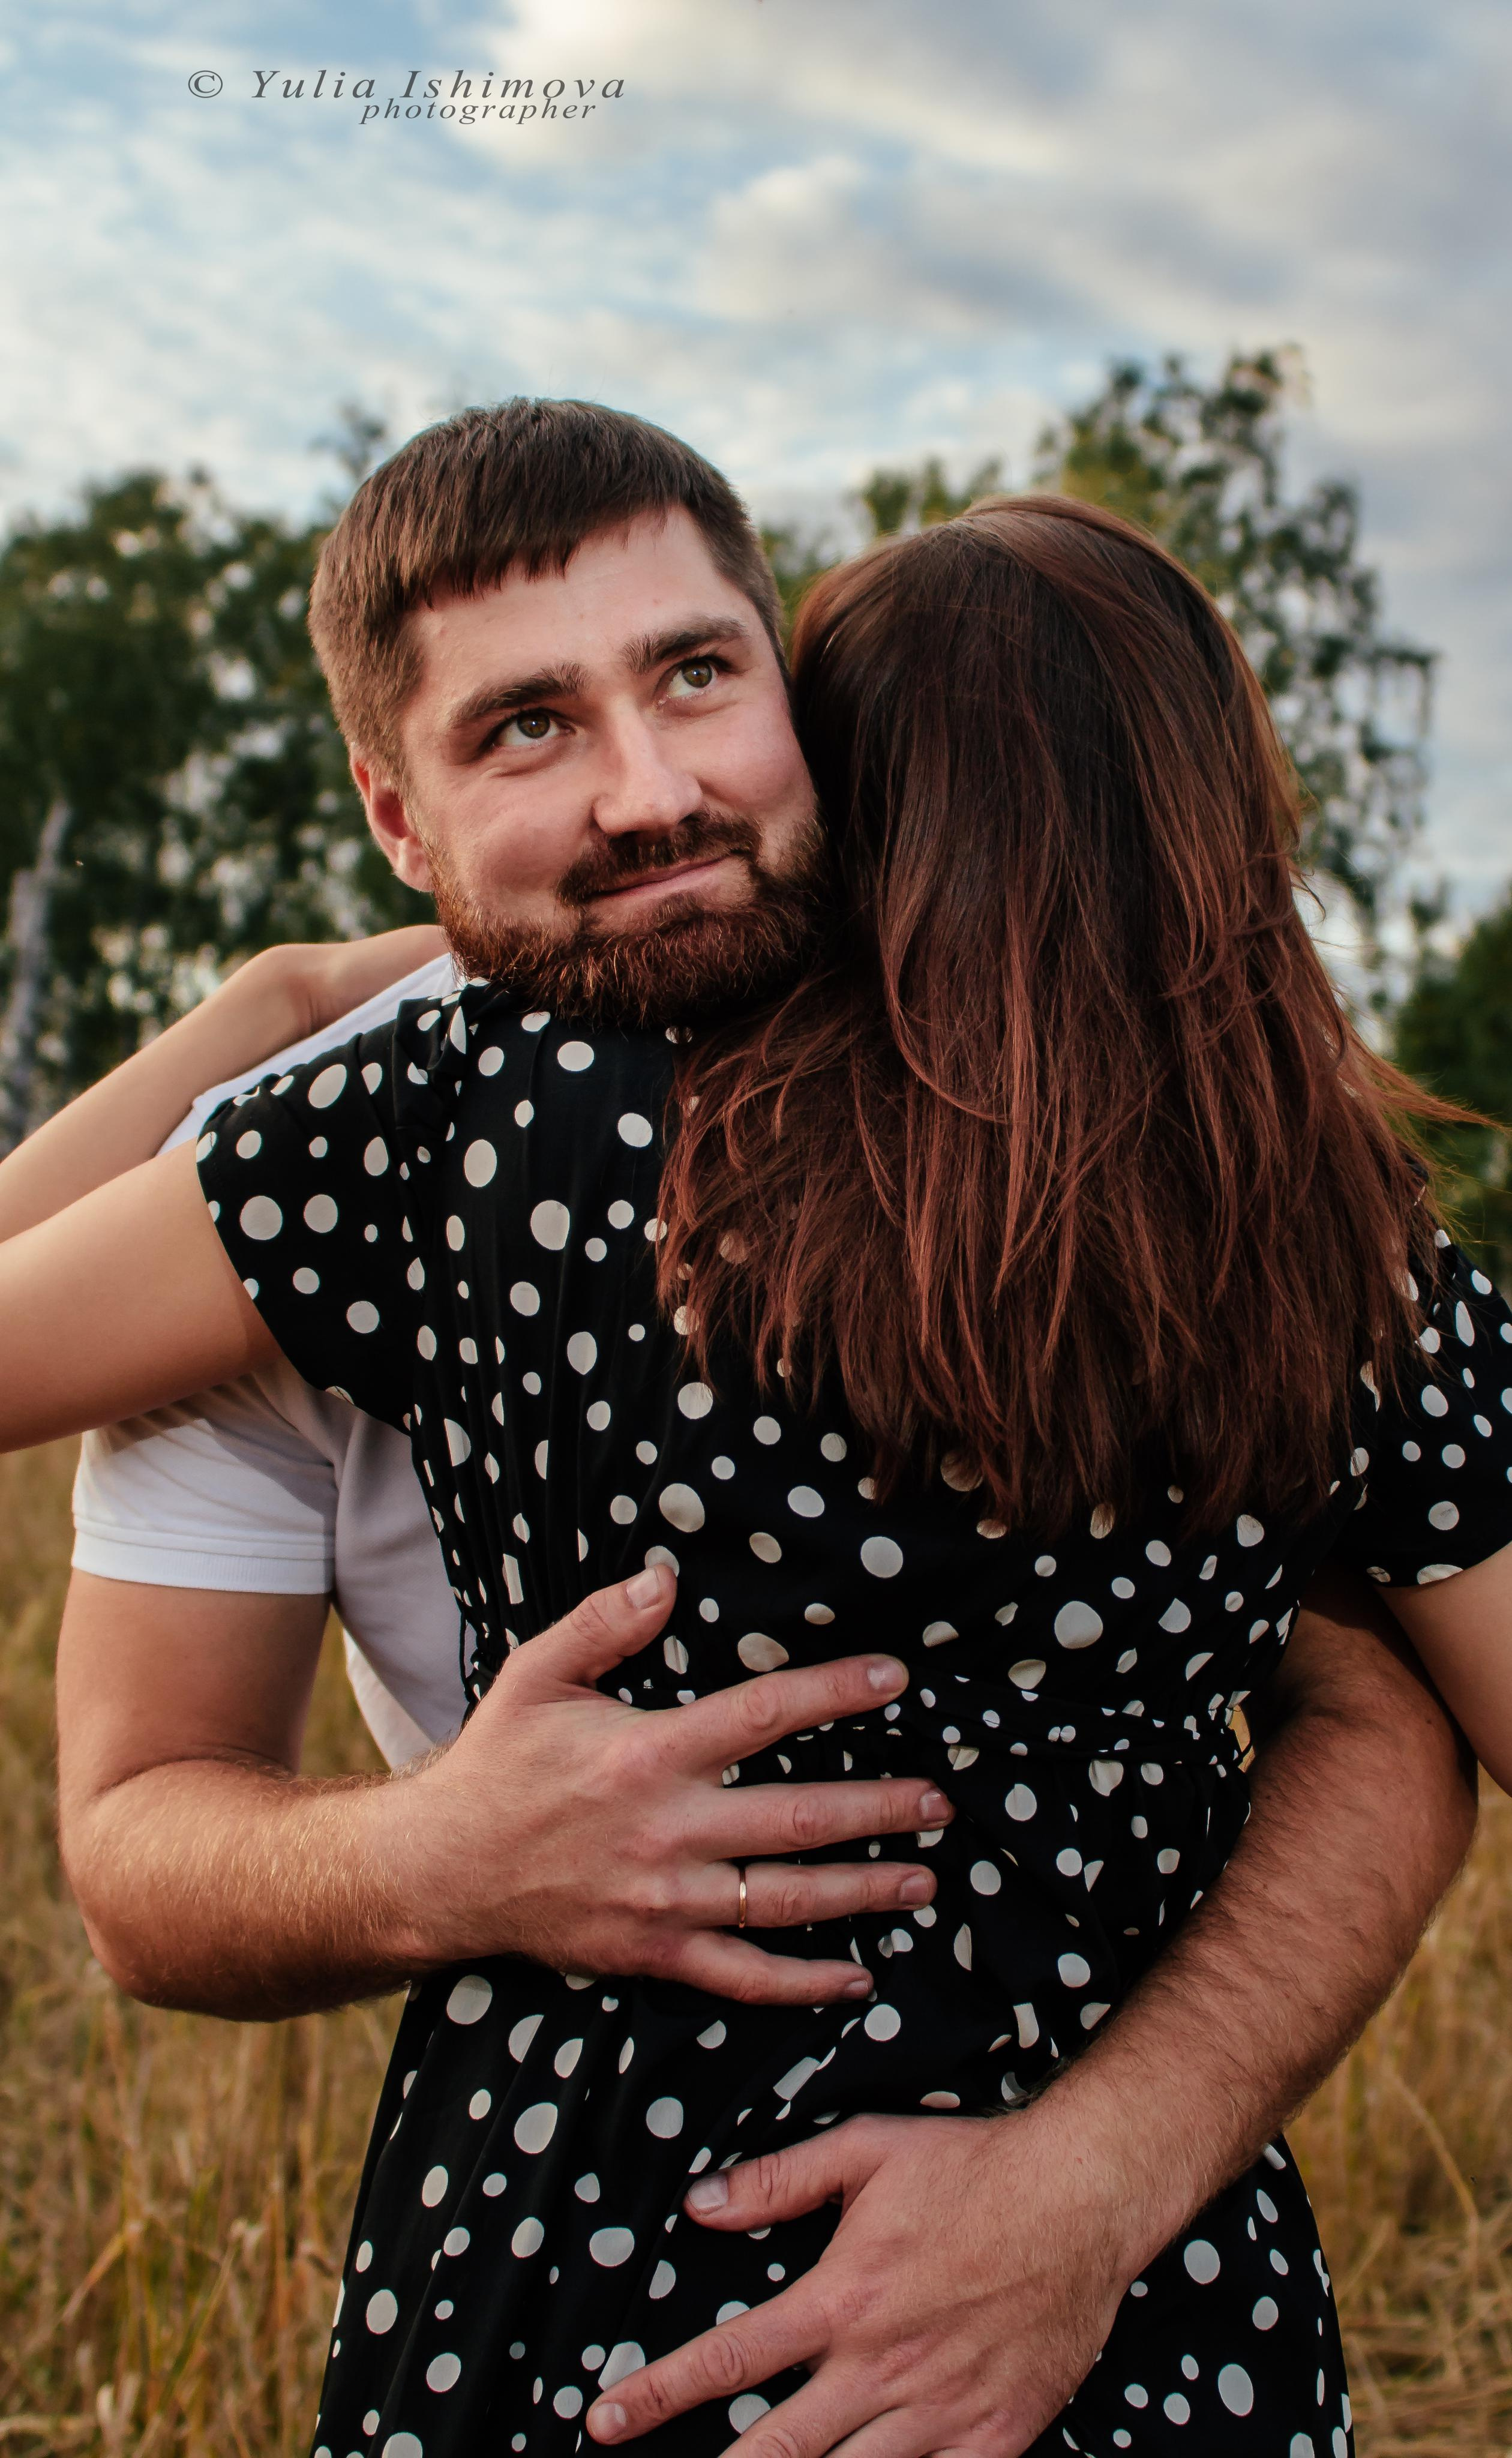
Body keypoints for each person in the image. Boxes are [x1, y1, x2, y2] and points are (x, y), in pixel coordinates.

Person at [1, 401, 1501, 2457]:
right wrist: (438, 1856)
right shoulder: (1306, 1215)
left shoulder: (452, 1120)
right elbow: (139, 1852)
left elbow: (1388, 1733)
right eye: (527, 730)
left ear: (827, 732)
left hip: (598, 2270)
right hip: (1160, 2349)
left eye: (700, 677)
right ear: (397, 818)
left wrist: (1096, 2179)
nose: (653, 795)